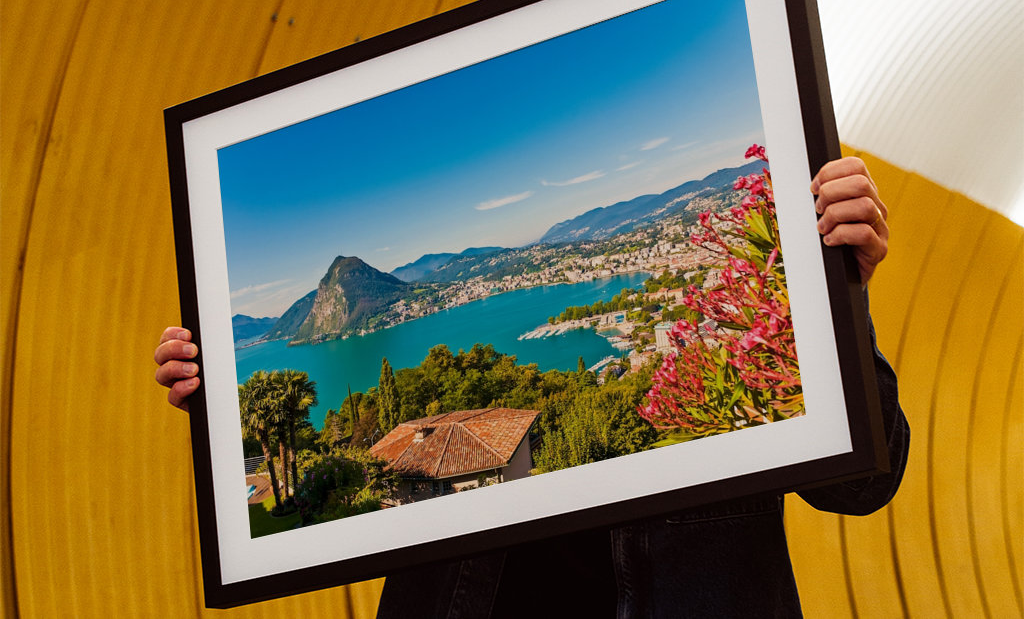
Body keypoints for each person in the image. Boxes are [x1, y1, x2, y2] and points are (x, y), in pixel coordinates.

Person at [155, 157, 908, 617]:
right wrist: (230, 418)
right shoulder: (421, 455)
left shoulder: (753, 345)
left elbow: (864, 485)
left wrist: (834, 295)